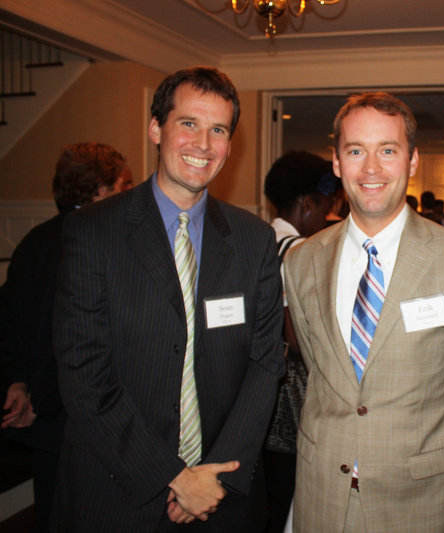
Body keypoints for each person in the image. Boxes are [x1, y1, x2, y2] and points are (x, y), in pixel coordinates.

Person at [51, 67, 285, 531]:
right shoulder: (93, 232)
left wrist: (214, 476)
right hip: (117, 491)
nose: (203, 143)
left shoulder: (254, 240)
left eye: (218, 129)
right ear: (156, 128)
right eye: (189, 124)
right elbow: (84, 373)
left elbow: (264, 364)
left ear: (229, 146)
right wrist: (172, 477)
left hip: (223, 493)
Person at [283, 91, 444, 532]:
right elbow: (318, 369)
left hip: (423, 500)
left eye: (388, 151)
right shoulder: (301, 262)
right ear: (336, 162)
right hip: (324, 495)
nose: (371, 169)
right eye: (356, 151)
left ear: (413, 161)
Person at [1, 142, 132, 532]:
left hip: (46, 416)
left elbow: (11, 323)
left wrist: (18, 382)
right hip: (92, 418)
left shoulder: (33, 243)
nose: (131, 192)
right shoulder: (109, 244)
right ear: (100, 190)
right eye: (124, 184)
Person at [262, 150, 336, 532]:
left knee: (268, 497)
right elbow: (295, 335)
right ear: (307, 205)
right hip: (293, 398)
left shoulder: (259, 240)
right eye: (324, 208)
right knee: (291, 499)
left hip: (260, 394)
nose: (326, 218)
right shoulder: (298, 252)